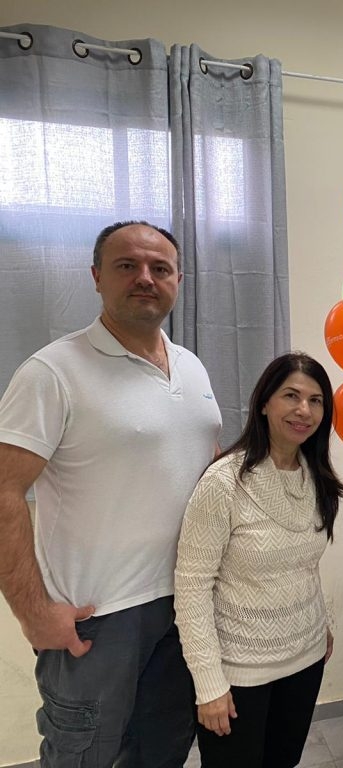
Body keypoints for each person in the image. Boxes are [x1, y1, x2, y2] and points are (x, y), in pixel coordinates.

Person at [0, 221, 222, 766]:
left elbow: (209, 475)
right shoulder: (53, 371)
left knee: (163, 753)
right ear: (97, 276)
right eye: (127, 266)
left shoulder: (191, 367)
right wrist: (33, 612)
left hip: (185, 606)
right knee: (84, 757)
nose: (145, 278)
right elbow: (4, 489)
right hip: (98, 620)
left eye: (160, 268)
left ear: (178, 281)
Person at [174, 352, 343, 767]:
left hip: (305, 659)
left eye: (316, 400)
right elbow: (192, 587)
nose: (304, 410)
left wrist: (318, 624)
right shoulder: (223, 482)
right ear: (265, 402)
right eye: (291, 396)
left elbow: (303, 565)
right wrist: (208, 684)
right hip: (239, 673)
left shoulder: (316, 476)